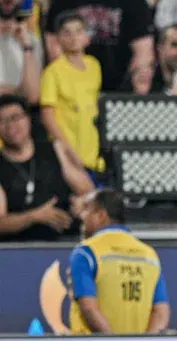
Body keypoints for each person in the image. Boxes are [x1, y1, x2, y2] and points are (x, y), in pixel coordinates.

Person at [68, 189, 171, 334]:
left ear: (101, 216)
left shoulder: (86, 252)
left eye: (86, 210)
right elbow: (160, 311)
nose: (81, 216)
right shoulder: (149, 255)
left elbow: (89, 308)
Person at [0, 93, 93, 242]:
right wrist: (35, 216)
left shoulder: (54, 149)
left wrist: (82, 203)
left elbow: (88, 191)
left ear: (28, 118)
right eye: (2, 121)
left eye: (16, 117)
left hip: (64, 240)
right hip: (18, 248)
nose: (10, 126)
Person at [39, 11, 103, 173]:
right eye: (67, 32)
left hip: (93, 152)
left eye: (78, 31)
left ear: (86, 37)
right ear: (58, 38)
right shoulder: (53, 72)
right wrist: (67, 149)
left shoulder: (94, 66)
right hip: (69, 152)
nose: (73, 37)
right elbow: (47, 115)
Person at [44, 0, 155, 92]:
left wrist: (134, 87)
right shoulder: (62, 3)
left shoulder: (134, 3)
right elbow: (54, 48)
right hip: (73, 87)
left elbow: (143, 52)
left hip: (119, 87)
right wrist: (70, 85)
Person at [0, 0, 42, 105]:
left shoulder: (32, 41)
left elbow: (32, 96)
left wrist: (26, 46)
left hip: (19, 115)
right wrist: (18, 91)